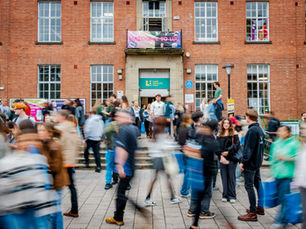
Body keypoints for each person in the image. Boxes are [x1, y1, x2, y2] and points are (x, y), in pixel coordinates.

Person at [105, 110, 148, 226]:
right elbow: (136, 148)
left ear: (125, 118)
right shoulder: (134, 129)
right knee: (121, 193)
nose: (116, 119)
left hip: (126, 168)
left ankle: (138, 211)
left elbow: (121, 149)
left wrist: (119, 166)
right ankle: (118, 217)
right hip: (131, 167)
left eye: (118, 117)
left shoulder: (123, 129)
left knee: (121, 194)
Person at [37, 122, 70, 229]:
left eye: (42, 130)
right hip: (49, 182)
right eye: (38, 130)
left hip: (56, 183)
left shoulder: (54, 146)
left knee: (55, 211)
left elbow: (56, 166)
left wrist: (42, 164)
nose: (39, 133)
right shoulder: (44, 144)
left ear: (49, 133)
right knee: (51, 211)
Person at [189, 119, 221, 229]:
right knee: (206, 193)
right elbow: (218, 153)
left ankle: (194, 218)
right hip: (206, 171)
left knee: (197, 194)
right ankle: (203, 212)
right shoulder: (212, 140)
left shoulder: (198, 135)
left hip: (197, 169)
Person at [144, 117, 182, 207]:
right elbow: (166, 146)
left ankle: (150, 198)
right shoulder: (162, 133)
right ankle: (170, 197)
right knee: (165, 178)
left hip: (156, 158)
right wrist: (175, 146)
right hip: (161, 158)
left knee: (157, 178)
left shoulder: (155, 132)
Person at [269, 126, 301, 228]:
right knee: (281, 199)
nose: (279, 132)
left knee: (284, 199)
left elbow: (299, 157)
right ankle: (287, 219)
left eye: (281, 131)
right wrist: (272, 173)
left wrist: (287, 158)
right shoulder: (277, 143)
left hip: (288, 176)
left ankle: (280, 221)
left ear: (287, 132)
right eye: (278, 130)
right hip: (277, 175)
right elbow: (272, 157)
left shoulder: (294, 143)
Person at [238, 109, 265, 221]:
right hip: (257, 162)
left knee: (249, 187)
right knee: (257, 184)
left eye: (246, 117)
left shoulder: (252, 131)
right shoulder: (259, 129)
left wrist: (243, 162)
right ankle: (260, 207)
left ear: (248, 117)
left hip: (250, 164)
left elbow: (248, 149)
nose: (245, 118)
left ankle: (253, 212)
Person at [56, 110, 83, 218]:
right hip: (70, 161)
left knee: (58, 186)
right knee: (72, 187)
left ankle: (55, 210)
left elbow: (56, 144)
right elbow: (79, 144)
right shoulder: (73, 128)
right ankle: (74, 210)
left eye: (57, 116)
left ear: (62, 117)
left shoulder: (60, 128)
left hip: (62, 161)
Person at [217, 118, 240, 203]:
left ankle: (232, 196)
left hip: (231, 158)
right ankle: (225, 195)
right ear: (222, 125)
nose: (226, 124)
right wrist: (221, 156)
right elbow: (216, 147)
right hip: (222, 158)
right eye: (224, 123)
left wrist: (228, 151)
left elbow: (237, 146)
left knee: (231, 177)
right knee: (224, 177)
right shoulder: (219, 134)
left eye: (227, 123)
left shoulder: (234, 134)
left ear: (230, 125)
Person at [177, 114, 193, 197]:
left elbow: (178, 140)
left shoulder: (180, 128)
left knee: (187, 171)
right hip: (188, 152)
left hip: (183, 151)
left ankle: (186, 189)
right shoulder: (189, 129)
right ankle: (184, 191)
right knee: (188, 172)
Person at [103, 109, 119, 190]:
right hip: (119, 148)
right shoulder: (120, 124)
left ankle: (108, 183)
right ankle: (125, 183)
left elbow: (103, 136)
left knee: (109, 165)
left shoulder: (108, 123)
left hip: (110, 148)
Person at [294, 121, 306, 229]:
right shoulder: (302, 145)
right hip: (302, 185)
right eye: (301, 129)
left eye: (304, 129)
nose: (302, 131)